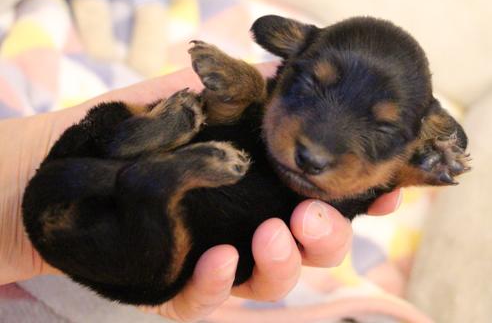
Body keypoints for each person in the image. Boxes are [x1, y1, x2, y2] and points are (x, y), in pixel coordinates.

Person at [0, 63, 401, 322]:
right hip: (108, 205)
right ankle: (154, 173)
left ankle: (145, 160)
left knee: (102, 135)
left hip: (86, 207)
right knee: (152, 259)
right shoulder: (279, 109)